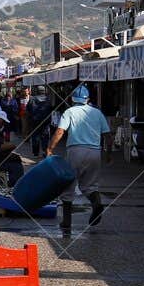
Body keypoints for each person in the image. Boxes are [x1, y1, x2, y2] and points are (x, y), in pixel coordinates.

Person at [47, 84, 111, 234]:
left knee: (68, 184)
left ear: (72, 99)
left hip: (76, 151)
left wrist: (50, 148)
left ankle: (67, 221)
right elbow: (107, 135)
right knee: (90, 186)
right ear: (87, 99)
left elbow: (60, 131)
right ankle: (96, 204)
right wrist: (108, 154)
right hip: (95, 152)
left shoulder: (69, 111)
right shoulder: (97, 113)